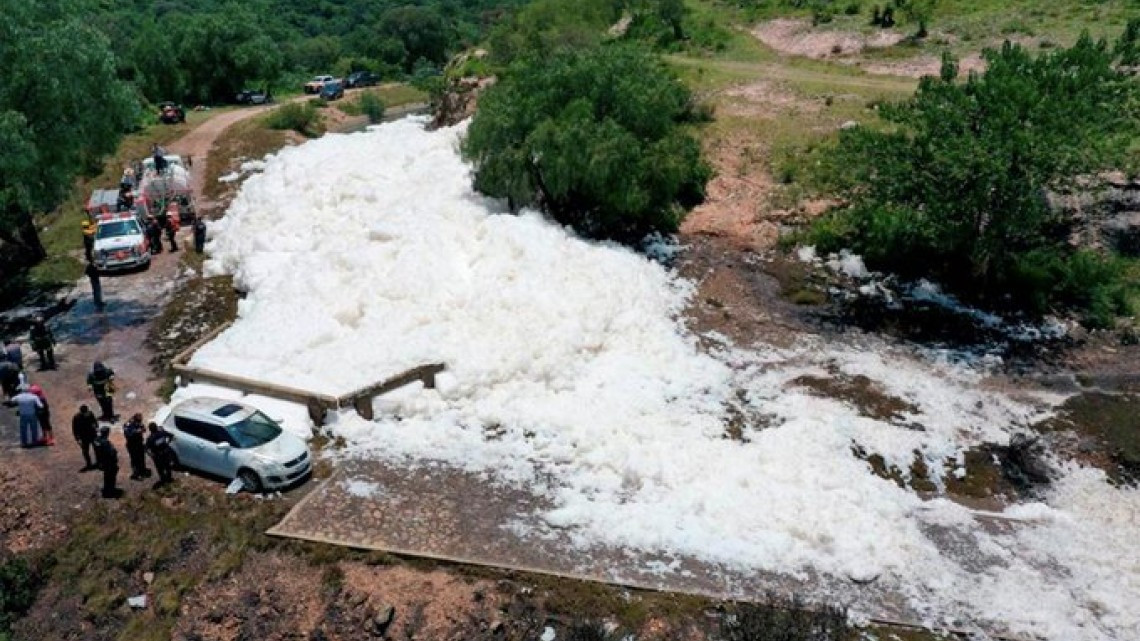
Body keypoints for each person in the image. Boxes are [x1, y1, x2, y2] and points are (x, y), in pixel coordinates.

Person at [146, 421, 176, 488]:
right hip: (165, 453)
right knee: (168, 467)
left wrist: (151, 455)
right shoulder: (162, 433)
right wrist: (168, 443)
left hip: (157, 456)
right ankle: (169, 479)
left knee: (160, 469)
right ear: (156, 427)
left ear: (150, 430)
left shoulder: (150, 439)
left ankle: (163, 480)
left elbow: (146, 449)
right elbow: (172, 436)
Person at [93, 426, 120, 498]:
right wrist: (114, 452)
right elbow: (111, 452)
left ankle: (106, 489)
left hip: (102, 461)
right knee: (111, 476)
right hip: (109, 462)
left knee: (106, 476)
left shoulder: (97, 440)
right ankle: (110, 491)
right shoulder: (105, 442)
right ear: (107, 433)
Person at [123, 413, 151, 480]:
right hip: (132, 445)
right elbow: (127, 434)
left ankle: (142, 470)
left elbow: (143, 429)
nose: (140, 422)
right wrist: (136, 431)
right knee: (135, 459)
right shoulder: (128, 424)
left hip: (139, 443)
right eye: (139, 420)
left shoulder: (139, 423)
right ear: (135, 419)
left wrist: (142, 429)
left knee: (141, 457)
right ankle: (136, 474)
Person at [72, 405, 99, 471]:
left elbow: (95, 422)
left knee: (97, 449)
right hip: (84, 437)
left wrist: (96, 427)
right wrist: (78, 439)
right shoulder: (76, 417)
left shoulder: (90, 413)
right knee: (85, 451)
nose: (86, 413)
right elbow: (75, 429)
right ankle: (88, 464)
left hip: (92, 435)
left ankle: (98, 462)